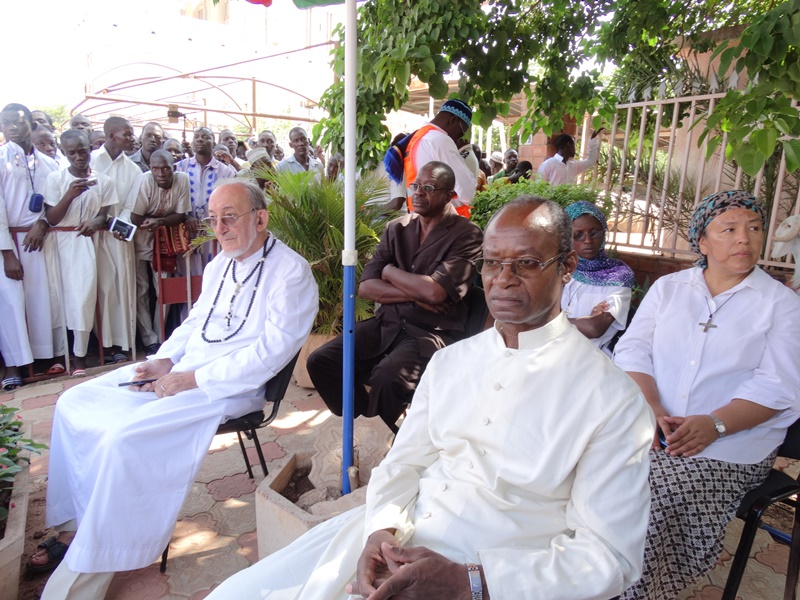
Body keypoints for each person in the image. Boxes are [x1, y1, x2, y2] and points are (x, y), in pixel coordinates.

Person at [207, 196, 653, 600]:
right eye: (493, 263)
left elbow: (611, 558)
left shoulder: (613, 400)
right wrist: (380, 532)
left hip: (500, 579)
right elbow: (406, 462)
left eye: (527, 263)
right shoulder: (452, 363)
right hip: (391, 544)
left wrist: (471, 581)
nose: (504, 280)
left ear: (568, 266)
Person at [32, 178, 319, 599]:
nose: (219, 228)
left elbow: (270, 355)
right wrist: (166, 358)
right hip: (186, 369)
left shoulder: (291, 271)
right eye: (214, 219)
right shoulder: (222, 261)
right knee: (75, 400)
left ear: (261, 218)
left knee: (121, 439)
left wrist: (193, 379)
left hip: (229, 387)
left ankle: (88, 570)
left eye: (229, 218)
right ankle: (77, 522)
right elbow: (196, 321)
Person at [614, 190, 800, 600]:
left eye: (754, 229)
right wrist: (653, 406)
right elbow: (632, 349)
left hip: (733, 443)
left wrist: (714, 424)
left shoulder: (781, 304)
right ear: (702, 242)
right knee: (589, 470)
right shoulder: (669, 289)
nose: (744, 239)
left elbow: (780, 386)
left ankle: (639, 591)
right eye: (729, 229)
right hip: (653, 426)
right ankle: (576, 579)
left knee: (650, 496)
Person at [307, 161, 483, 429]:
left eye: (429, 187)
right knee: (322, 361)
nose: (418, 193)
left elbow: (435, 292)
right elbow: (366, 287)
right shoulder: (397, 228)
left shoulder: (467, 234)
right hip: (385, 325)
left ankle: (378, 441)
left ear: (449, 195)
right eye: (415, 186)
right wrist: (414, 295)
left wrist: (389, 271)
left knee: (389, 377)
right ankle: (364, 429)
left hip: (430, 333)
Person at [43, 130, 117, 376]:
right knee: (59, 300)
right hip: (58, 244)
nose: (78, 157)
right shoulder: (55, 178)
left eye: (82, 150)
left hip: (86, 244)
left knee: (83, 299)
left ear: (90, 148)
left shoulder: (104, 180)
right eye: (71, 152)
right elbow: (52, 217)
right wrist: (70, 194)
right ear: (63, 152)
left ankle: (80, 357)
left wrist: (96, 221)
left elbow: (104, 214)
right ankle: (58, 355)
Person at [0, 103, 62, 390]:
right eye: (5, 122)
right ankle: (13, 364)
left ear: (30, 125)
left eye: (17, 121)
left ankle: (41, 359)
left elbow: (54, 201)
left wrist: (43, 223)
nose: (11, 126)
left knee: (42, 300)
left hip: (40, 238)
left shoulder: (49, 162)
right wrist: (6, 252)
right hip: (9, 240)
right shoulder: (1, 159)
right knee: (11, 303)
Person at [129, 150, 191, 353]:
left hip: (163, 236)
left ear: (173, 167)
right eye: (156, 168)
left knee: (163, 287)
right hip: (139, 236)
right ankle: (149, 339)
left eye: (166, 168)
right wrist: (158, 220)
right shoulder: (144, 181)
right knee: (142, 289)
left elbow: (181, 214)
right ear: (150, 169)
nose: (161, 173)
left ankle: (161, 337)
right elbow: (135, 218)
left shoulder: (182, 180)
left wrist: (160, 220)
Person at [91, 116, 141, 363]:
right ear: (111, 135)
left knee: (122, 288)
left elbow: (129, 206)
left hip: (119, 235)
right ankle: (103, 345)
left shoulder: (133, 169)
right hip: (91, 236)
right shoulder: (90, 162)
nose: (132, 138)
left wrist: (118, 224)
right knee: (102, 288)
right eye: (127, 133)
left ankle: (122, 344)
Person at [562, 200, 635, 355]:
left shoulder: (618, 276)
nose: (588, 240)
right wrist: (582, 320)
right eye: (578, 235)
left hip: (590, 360)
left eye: (594, 233)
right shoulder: (560, 270)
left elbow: (594, 328)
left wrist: (547, 322)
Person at [400, 99, 476, 216]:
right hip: (443, 220)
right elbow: (466, 190)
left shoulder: (419, 137)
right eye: (460, 133)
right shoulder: (440, 140)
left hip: (419, 216)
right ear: (453, 120)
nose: (457, 139)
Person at [176, 127, 236, 273]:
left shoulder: (226, 172)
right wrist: (185, 216)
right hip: (186, 233)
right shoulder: (179, 168)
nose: (200, 139)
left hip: (214, 234)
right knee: (187, 277)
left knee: (215, 272)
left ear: (213, 142)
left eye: (205, 137)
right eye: (196, 136)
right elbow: (172, 199)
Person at [537, 129, 603, 185]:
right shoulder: (548, 165)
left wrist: (592, 139)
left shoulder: (573, 165)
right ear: (568, 145)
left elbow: (591, 161)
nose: (575, 149)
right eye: (573, 146)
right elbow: (539, 187)